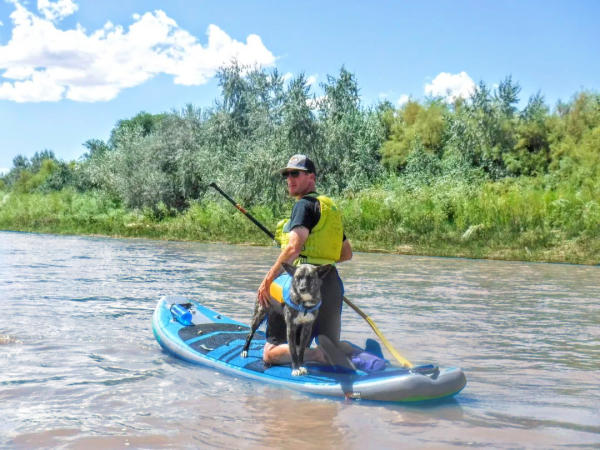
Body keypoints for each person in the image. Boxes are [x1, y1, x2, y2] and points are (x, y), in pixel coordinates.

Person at [257, 154, 353, 366]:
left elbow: (293, 247)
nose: (289, 179)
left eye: (295, 174)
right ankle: (342, 350)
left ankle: (317, 355)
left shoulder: (303, 205)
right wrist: (317, 257)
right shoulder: (330, 210)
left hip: (303, 288)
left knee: (269, 353)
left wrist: (267, 280)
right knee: (327, 341)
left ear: (311, 177)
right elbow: (346, 253)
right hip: (331, 285)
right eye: (287, 175)